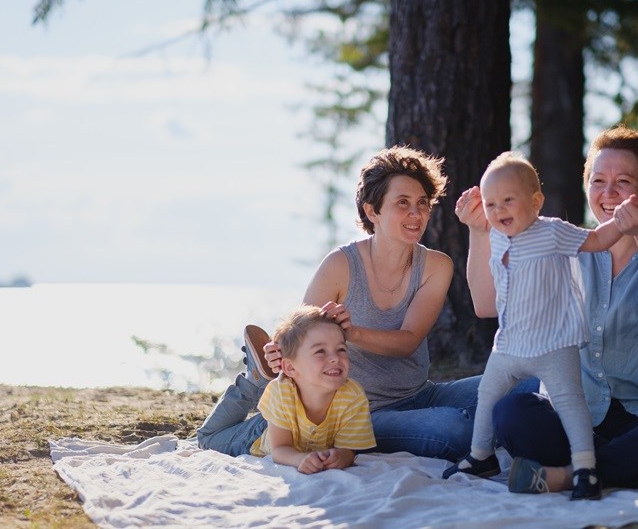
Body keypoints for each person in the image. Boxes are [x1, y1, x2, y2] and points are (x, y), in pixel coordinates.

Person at [455, 126, 638, 495]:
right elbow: (486, 305)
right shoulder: (562, 243)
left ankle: (570, 475)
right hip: (570, 414)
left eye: (623, 181)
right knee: (511, 412)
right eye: (598, 180)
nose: (608, 193)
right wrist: (478, 232)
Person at [198, 145, 481, 462]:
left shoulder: (436, 266)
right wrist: (281, 353)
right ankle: (257, 381)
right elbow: (300, 337)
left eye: (422, 204)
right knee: (455, 431)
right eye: (403, 203)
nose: (416, 214)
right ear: (373, 211)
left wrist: (352, 332)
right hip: (352, 410)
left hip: (419, 394)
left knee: (524, 384)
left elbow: (408, 341)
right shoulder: (340, 266)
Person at [443, 152, 638, 500]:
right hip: (509, 346)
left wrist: (621, 222)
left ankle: (585, 469)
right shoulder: (496, 236)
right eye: (491, 204)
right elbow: (485, 298)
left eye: (508, 200)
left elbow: (596, 240)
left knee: (569, 403)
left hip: (553, 345)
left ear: (536, 202)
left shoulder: (552, 231)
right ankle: (481, 456)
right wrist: (474, 220)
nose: (499, 210)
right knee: (487, 393)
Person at [196, 305, 375, 473]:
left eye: (341, 349)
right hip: (257, 437)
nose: (335, 358)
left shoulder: (353, 395)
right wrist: (300, 459)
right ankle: (252, 382)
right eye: (320, 351)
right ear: (290, 368)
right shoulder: (281, 392)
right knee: (206, 438)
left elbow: (348, 451)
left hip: (280, 419)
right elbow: (280, 450)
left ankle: (258, 381)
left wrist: (341, 457)